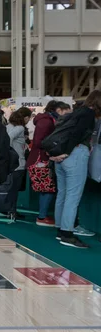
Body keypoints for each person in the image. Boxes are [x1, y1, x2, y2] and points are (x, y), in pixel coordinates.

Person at [48, 90, 101, 248]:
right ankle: (67, 234)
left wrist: (58, 153)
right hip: (75, 155)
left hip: (62, 158)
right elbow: (76, 136)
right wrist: (67, 151)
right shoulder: (88, 116)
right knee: (73, 196)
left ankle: (61, 230)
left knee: (63, 194)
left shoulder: (75, 113)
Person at [26, 100, 70, 227]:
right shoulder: (46, 122)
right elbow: (40, 142)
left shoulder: (46, 121)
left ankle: (43, 215)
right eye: (65, 111)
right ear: (58, 110)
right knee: (47, 188)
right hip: (41, 159)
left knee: (47, 188)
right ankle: (42, 217)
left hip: (41, 158)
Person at [6, 107, 32, 219]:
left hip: (10, 163)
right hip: (18, 162)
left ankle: (9, 210)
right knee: (14, 189)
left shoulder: (9, 126)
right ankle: (12, 211)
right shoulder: (20, 128)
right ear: (26, 117)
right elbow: (9, 138)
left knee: (10, 188)